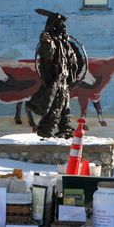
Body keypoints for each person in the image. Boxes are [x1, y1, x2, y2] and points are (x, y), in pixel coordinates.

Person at [26, 9, 83, 138]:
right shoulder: (50, 41)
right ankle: (46, 131)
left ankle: (66, 130)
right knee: (56, 107)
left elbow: (73, 61)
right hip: (56, 80)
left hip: (65, 80)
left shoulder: (65, 43)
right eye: (60, 24)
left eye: (64, 25)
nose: (64, 27)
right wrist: (47, 43)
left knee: (65, 107)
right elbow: (47, 56)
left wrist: (73, 75)